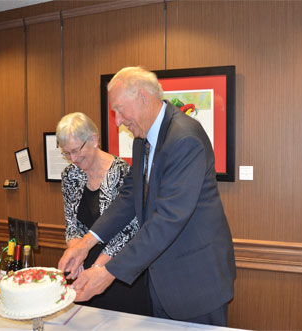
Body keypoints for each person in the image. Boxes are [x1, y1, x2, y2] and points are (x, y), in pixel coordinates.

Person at [58, 67, 236, 326]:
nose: (117, 121)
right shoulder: (143, 139)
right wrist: (84, 244)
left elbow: (168, 219)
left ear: (143, 97)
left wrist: (107, 272)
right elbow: (129, 197)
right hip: (162, 284)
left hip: (196, 284)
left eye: (119, 109)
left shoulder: (184, 138)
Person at [56, 112, 152, 316]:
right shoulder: (70, 175)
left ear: (93, 139)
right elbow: (72, 223)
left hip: (117, 272)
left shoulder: (122, 173)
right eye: (66, 153)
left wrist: (97, 269)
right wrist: (76, 257)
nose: (72, 159)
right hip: (85, 271)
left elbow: (128, 232)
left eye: (76, 150)